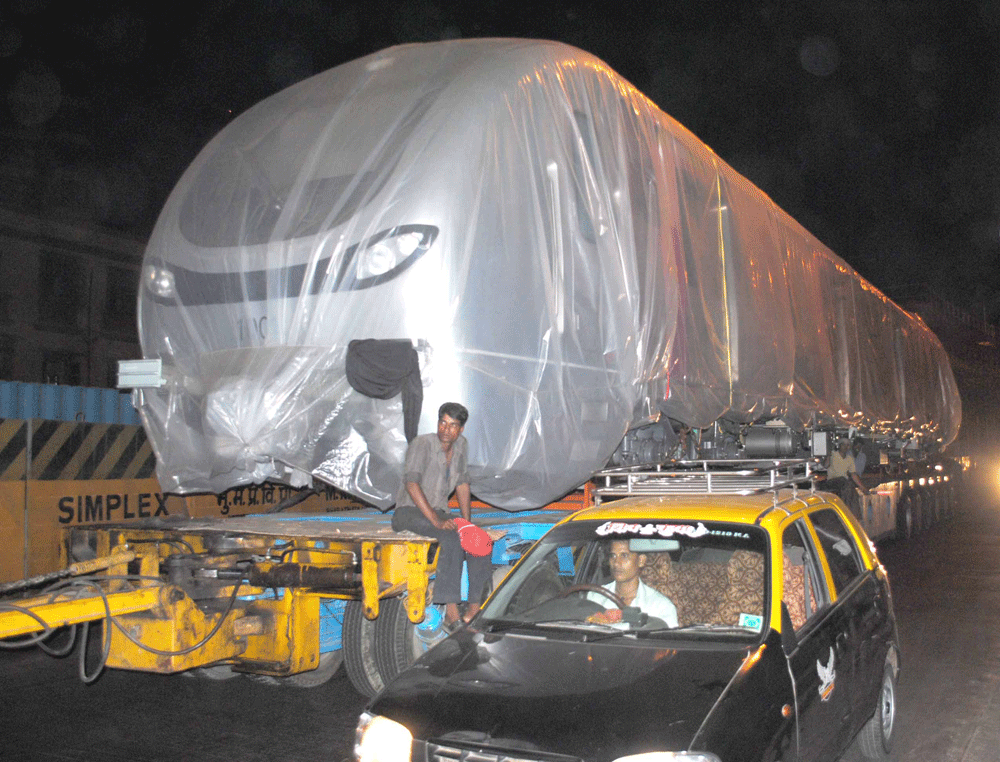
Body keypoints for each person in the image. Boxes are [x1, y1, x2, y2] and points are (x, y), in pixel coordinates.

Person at [391, 402, 492, 629]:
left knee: (479, 540)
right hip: (408, 512)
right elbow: (411, 484)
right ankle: (451, 611)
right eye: (442, 422)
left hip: (437, 511)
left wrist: (466, 522)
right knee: (450, 538)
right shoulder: (422, 444)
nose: (446, 429)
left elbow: (463, 484)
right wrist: (436, 521)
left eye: (453, 425)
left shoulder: (461, 446)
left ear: (461, 429)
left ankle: (475, 608)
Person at [586, 540, 678, 627]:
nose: (616, 563)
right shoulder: (594, 598)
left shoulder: (660, 607)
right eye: (613, 556)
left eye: (624, 556)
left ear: (641, 561)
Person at [825, 437, 868, 507]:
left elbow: (853, 474)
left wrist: (862, 487)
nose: (845, 447)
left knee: (853, 492)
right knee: (845, 482)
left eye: (848, 445)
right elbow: (826, 466)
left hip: (844, 483)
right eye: (843, 445)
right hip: (832, 481)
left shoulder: (850, 458)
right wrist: (828, 456)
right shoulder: (832, 454)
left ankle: (852, 513)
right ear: (839, 445)